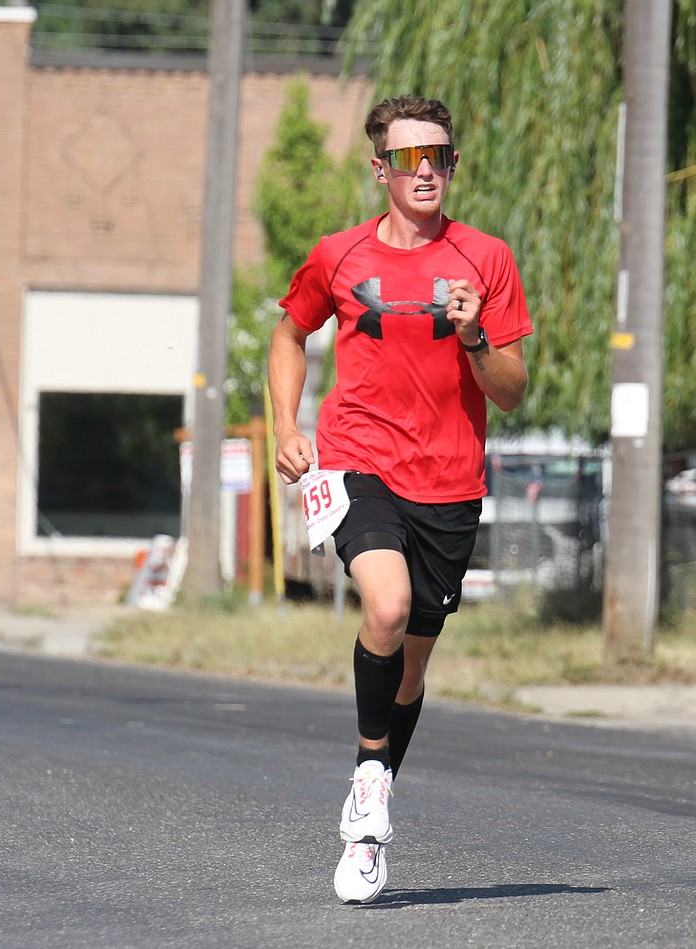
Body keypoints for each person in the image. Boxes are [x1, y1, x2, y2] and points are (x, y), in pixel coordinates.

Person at [267, 95, 533, 904]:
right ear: (380, 168)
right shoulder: (339, 256)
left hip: (451, 483)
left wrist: (476, 336)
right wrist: (287, 424)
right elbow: (289, 332)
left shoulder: (487, 259)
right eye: (411, 157)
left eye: (441, 157)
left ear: (451, 166)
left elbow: (515, 392)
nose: (428, 171)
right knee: (386, 605)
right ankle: (375, 791)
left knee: (413, 664)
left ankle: (368, 783)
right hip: (358, 459)